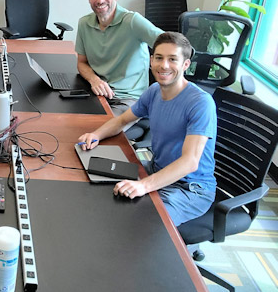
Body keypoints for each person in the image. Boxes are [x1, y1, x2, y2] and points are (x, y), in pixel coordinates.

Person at [78, 32, 217, 226]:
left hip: (190, 189)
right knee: (98, 184)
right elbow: (121, 121)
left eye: (173, 59)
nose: (164, 65)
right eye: (159, 58)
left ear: (186, 64)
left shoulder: (200, 103)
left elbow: (190, 162)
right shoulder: (154, 91)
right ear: (151, 60)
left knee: (140, 224)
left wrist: (144, 185)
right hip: (156, 169)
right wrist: (96, 135)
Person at [75, 0, 163, 116]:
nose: (100, 0)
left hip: (128, 99)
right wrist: (94, 80)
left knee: (97, 133)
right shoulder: (84, 23)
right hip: (98, 93)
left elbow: (170, 44)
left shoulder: (132, 21)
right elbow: (82, 62)